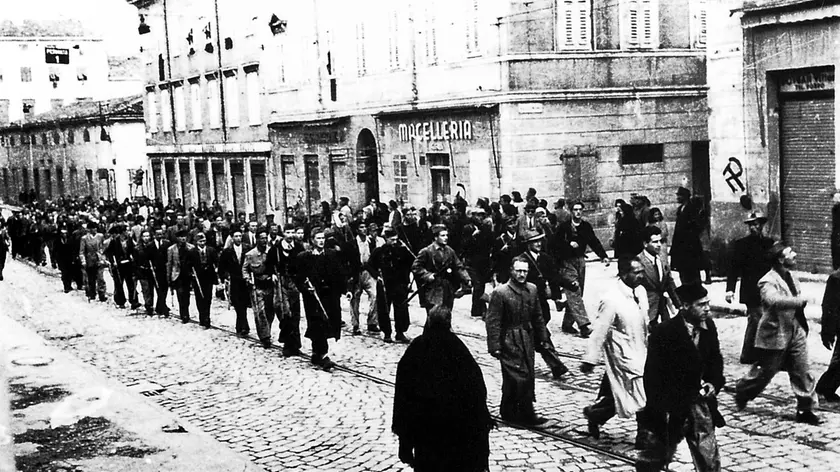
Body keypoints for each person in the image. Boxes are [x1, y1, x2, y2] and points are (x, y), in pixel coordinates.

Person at [636, 283, 725, 472]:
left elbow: (715, 360)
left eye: (707, 303)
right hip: (672, 407)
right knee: (657, 456)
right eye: (701, 305)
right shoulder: (664, 333)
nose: (707, 309)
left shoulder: (708, 326)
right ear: (684, 306)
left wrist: (713, 383)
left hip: (700, 404)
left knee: (708, 457)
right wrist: (658, 410)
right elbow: (652, 376)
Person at [393, 305, 493, 472]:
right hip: (457, 438)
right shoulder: (459, 350)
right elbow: (477, 396)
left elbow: (403, 400)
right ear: (449, 323)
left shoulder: (416, 349)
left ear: (429, 321)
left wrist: (405, 443)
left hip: (426, 437)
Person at [734, 243, 821, 425]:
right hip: (776, 332)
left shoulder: (792, 277)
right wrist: (797, 301)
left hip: (795, 329)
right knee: (766, 372)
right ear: (781, 259)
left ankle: (806, 409)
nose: (795, 255)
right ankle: (743, 391)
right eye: (791, 253)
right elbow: (773, 300)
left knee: (802, 369)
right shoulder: (767, 281)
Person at [581, 258, 650, 444]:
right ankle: (643, 436)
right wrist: (590, 358)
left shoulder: (641, 292)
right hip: (623, 355)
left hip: (641, 349)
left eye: (642, 271)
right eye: (637, 272)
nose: (641, 276)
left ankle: (595, 415)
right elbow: (599, 330)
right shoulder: (611, 299)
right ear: (624, 273)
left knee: (621, 394)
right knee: (643, 392)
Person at [486, 256, 551, 425]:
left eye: (525, 271)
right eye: (518, 271)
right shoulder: (501, 292)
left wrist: (543, 338)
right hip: (509, 339)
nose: (522, 274)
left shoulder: (532, 289)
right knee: (518, 376)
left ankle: (508, 410)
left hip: (526, 338)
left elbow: (538, 316)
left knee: (526, 374)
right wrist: (495, 346)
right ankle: (526, 413)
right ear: (511, 271)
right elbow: (493, 321)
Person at [519, 229, 577, 378]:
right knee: (542, 336)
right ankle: (557, 367)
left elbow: (554, 277)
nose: (538, 244)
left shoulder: (545, 258)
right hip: (526, 305)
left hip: (541, 304)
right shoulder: (521, 261)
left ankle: (524, 361)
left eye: (539, 241)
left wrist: (569, 284)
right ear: (528, 244)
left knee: (536, 336)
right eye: (534, 242)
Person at [725, 211, 774, 364]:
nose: (754, 227)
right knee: (756, 320)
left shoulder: (769, 243)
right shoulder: (741, 245)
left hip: (767, 289)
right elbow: (733, 268)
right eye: (751, 224)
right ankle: (748, 354)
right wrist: (730, 289)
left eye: (757, 223)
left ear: (762, 225)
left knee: (764, 322)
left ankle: (759, 354)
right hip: (750, 290)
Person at [297, 227, 349, 371]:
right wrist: (305, 289)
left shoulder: (332, 255)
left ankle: (316, 353)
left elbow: (340, 273)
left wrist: (346, 290)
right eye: (318, 238)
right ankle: (323, 355)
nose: (321, 241)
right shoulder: (304, 257)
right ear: (312, 240)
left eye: (322, 238)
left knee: (327, 322)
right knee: (317, 323)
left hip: (329, 296)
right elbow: (298, 277)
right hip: (312, 297)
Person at [556, 201, 610, 337]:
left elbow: (593, 241)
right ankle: (584, 325)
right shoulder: (564, 227)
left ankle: (567, 324)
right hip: (567, 262)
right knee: (574, 290)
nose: (578, 212)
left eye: (580, 210)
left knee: (577, 293)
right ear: (571, 211)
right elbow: (554, 244)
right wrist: (568, 244)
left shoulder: (586, 226)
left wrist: (603, 256)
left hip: (581, 261)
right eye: (575, 210)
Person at [411, 224, 471, 314]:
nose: (446, 238)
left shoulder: (450, 251)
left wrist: (466, 278)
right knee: (434, 315)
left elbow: (458, 266)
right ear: (435, 237)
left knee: (446, 314)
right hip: (432, 289)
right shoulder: (427, 251)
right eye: (442, 235)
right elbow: (416, 267)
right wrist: (427, 275)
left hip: (447, 288)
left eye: (446, 235)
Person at [369, 228, 415, 343]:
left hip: (400, 284)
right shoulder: (379, 251)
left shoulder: (403, 251)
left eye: (396, 239)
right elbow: (369, 265)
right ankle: (387, 333)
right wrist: (376, 276)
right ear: (386, 239)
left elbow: (413, 262)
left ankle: (400, 333)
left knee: (402, 308)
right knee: (384, 309)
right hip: (385, 284)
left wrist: (407, 249)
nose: (395, 242)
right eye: (392, 239)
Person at [267, 224, 305, 355]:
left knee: (295, 314)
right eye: (287, 232)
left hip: (294, 283)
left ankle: (296, 345)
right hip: (281, 283)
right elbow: (269, 264)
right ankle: (287, 345)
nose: (290, 235)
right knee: (285, 312)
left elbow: (303, 265)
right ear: (283, 233)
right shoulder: (276, 249)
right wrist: (272, 273)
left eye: (292, 232)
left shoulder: (299, 248)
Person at [637, 226, 680, 328]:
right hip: (647, 310)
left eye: (661, 241)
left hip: (663, 308)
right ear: (645, 243)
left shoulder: (662, 260)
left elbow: (669, 283)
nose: (659, 245)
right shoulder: (638, 262)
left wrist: (679, 304)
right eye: (655, 242)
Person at [243, 230, 275, 348]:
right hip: (257, 287)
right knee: (260, 312)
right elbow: (245, 269)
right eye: (261, 238)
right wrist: (247, 279)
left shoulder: (271, 251)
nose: (264, 240)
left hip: (270, 286)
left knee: (270, 311)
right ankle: (265, 336)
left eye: (265, 238)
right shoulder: (250, 254)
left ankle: (267, 330)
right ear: (256, 239)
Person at [349, 221, 380, 335]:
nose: (364, 229)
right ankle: (355, 325)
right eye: (361, 227)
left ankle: (372, 322)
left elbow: (375, 256)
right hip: (356, 273)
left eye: (365, 227)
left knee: (375, 295)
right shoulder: (352, 243)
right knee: (355, 298)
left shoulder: (371, 242)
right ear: (357, 230)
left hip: (369, 272)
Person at [219, 229, 251, 337]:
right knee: (237, 304)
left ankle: (241, 326)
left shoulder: (247, 249)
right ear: (232, 238)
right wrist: (225, 277)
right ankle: (243, 326)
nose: (238, 238)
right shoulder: (227, 251)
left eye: (240, 236)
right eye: (236, 236)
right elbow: (221, 267)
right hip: (234, 281)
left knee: (244, 304)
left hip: (245, 281)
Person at [671, 187, 704, 285]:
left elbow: (697, 226)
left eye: (679, 195)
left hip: (690, 246)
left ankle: (696, 291)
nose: (677, 197)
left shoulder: (692, 208)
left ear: (684, 196)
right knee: (683, 270)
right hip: (681, 246)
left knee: (693, 270)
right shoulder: (680, 209)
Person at [816, 266, 840, 402]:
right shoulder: (837, 278)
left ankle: (826, 388)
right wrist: (827, 331)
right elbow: (829, 306)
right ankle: (824, 388)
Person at [167, 229, 198, 323]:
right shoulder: (171, 249)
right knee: (180, 294)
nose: (183, 238)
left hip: (188, 274)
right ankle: (183, 314)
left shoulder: (191, 247)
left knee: (187, 295)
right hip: (178, 274)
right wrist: (169, 277)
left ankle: (186, 311)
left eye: (184, 236)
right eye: (181, 237)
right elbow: (169, 263)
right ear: (177, 238)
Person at [105, 225, 139, 310]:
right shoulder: (114, 241)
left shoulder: (129, 240)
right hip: (118, 266)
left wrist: (132, 257)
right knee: (119, 283)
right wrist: (113, 262)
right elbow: (109, 253)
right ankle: (120, 301)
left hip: (128, 264)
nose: (127, 232)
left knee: (131, 283)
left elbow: (133, 250)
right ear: (122, 232)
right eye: (126, 231)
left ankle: (134, 301)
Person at [193, 232, 219, 328]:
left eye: (204, 241)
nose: (202, 243)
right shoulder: (192, 252)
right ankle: (201, 316)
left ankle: (207, 317)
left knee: (208, 298)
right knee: (199, 297)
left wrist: (216, 270)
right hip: (197, 279)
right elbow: (187, 265)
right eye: (200, 241)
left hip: (208, 278)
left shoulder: (211, 250)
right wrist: (191, 274)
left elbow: (216, 262)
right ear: (196, 242)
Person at [79, 221, 108, 302]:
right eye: (92, 228)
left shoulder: (100, 236)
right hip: (89, 260)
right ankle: (92, 294)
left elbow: (103, 247)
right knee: (91, 278)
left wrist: (103, 257)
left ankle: (102, 294)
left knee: (100, 278)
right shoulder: (84, 238)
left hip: (99, 259)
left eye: (95, 228)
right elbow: (81, 251)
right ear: (89, 229)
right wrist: (83, 261)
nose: (94, 229)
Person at [133, 230, 158, 316]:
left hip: (151, 271)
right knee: (146, 289)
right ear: (141, 237)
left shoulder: (153, 247)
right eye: (144, 236)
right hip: (142, 271)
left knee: (152, 289)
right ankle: (148, 306)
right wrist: (136, 273)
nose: (146, 238)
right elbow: (135, 262)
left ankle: (151, 304)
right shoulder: (137, 248)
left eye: (148, 236)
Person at [150, 227, 171, 316]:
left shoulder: (167, 243)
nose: (160, 236)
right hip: (155, 270)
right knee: (158, 288)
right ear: (154, 235)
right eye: (158, 234)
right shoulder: (150, 245)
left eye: (161, 234)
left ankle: (161, 305)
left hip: (164, 269)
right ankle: (163, 307)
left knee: (165, 288)